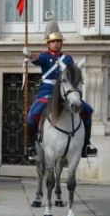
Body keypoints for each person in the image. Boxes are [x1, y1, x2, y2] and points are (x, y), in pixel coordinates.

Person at [24, 20, 98, 159]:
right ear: (48, 43)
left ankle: (86, 145)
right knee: (32, 114)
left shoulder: (67, 58)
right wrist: (29, 54)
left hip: (66, 91)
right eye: (53, 41)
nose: (56, 43)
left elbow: (72, 74)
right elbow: (36, 58)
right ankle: (30, 146)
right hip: (48, 91)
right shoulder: (45, 56)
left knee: (88, 111)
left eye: (58, 41)